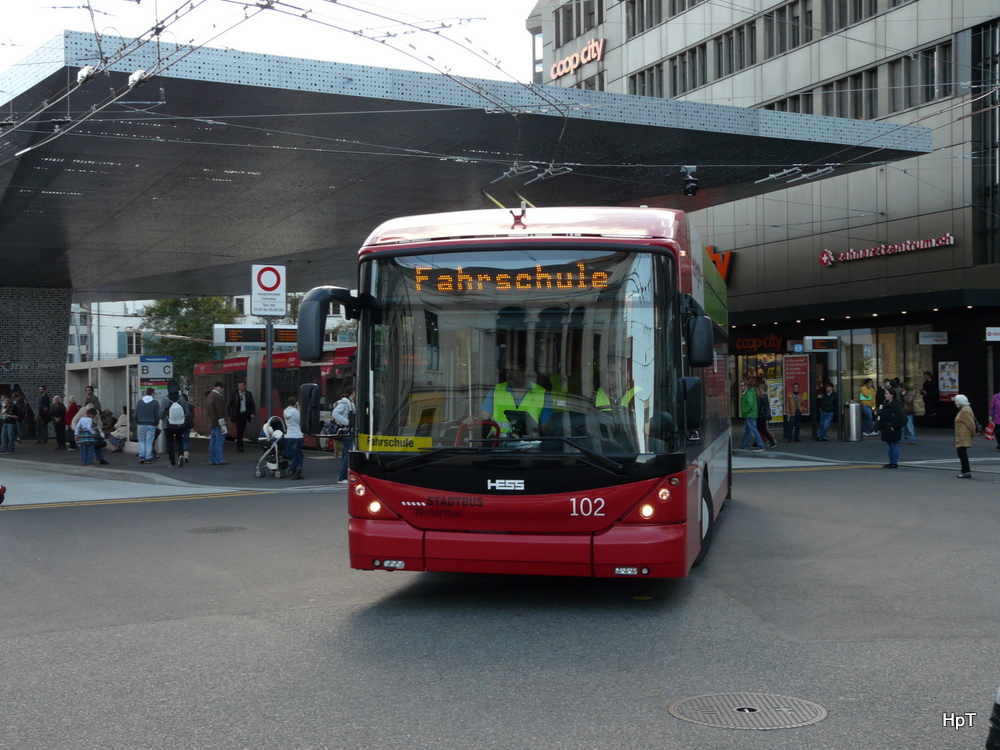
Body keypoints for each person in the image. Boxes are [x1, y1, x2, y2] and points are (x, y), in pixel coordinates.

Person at [475, 365, 552, 438]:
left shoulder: (542, 393)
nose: (509, 373)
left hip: (530, 445)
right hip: (499, 444)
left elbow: (545, 427)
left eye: (513, 369)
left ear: (525, 371)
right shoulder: (496, 390)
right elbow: (484, 415)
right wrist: (474, 419)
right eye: (507, 370)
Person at [161, 384, 193, 468]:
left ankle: (172, 462)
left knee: (170, 443)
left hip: (168, 425)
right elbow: (187, 411)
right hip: (180, 424)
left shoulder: (165, 400)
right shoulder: (181, 398)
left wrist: (163, 419)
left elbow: (161, 413)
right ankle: (181, 454)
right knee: (179, 441)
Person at [332, 388, 356, 483]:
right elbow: (335, 413)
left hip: (347, 430)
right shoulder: (345, 402)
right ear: (352, 393)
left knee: (346, 454)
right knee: (347, 454)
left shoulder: (349, 402)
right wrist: (347, 422)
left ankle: (344, 476)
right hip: (345, 430)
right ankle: (341, 477)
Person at [228, 379, 257, 453]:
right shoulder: (234, 394)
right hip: (237, 414)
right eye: (239, 385)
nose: (240, 387)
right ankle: (240, 445)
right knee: (239, 429)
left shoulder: (248, 394)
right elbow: (230, 404)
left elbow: (252, 404)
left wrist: (252, 413)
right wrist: (228, 414)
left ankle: (240, 443)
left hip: (245, 414)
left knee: (242, 429)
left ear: (245, 386)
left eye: (242, 385)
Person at [878, 388, 905, 468]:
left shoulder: (896, 405)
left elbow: (898, 417)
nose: (885, 395)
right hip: (887, 427)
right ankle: (891, 462)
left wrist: (893, 426)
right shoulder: (886, 404)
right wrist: (880, 427)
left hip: (892, 427)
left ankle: (894, 462)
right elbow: (882, 417)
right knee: (889, 444)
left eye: (887, 394)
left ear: (892, 395)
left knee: (893, 444)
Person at [135, 387, 161, 464]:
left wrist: (137, 421)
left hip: (141, 424)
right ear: (152, 393)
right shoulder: (155, 402)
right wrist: (156, 422)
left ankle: (141, 456)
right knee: (149, 441)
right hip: (151, 424)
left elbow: (136, 414)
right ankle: (148, 457)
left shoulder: (140, 402)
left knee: (141, 440)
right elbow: (157, 415)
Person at [953, 393, 977, 479]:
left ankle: (966, 472)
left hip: (963, 435)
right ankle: (965, 471)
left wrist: (974, 433)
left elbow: (971, 424)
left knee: (962, 453)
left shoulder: (964, 411)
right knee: (962, 453)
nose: (955, 403)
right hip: (962, 435)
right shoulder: (965, 409)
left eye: (956, 401)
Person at [738, 379, 765, 451]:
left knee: (753, 430)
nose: (740, 387)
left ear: (746, 386)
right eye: (740, 385)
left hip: (750, 414)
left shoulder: (748, 393)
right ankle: (744, 445)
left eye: (742, 385)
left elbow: (750, 404)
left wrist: (745, 411)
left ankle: (761, 445)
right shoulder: (750, 392)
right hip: (750, 414)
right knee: (747, 430)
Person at [283, 395, 305, 480]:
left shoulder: (285, 411)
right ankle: (296, 470)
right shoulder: (296, 412)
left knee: (295, 454)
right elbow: (301, 422)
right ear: (296, 403)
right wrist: (299, 409)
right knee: (298, 455)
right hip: (298, 436)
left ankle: (296, 469)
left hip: (289, 436)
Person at [207, 381, 228, 465]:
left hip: (212, 421)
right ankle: (219, 459)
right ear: (217, 387)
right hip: (218, 422)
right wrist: (223, 422)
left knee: (213, 441)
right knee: (219, 441)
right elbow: (220, 411)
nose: (223, 389)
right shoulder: (217, 396)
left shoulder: (210, 395)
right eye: (222, 387)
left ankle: (212, 459)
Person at [755, 382, 777, 448]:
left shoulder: (761, 397)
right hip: (763, 415)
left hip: (761, 415)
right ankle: (756, 442)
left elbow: (759, 406)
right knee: (760, 429)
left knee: (762, 429)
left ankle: (771, 441)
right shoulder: (764, 396)